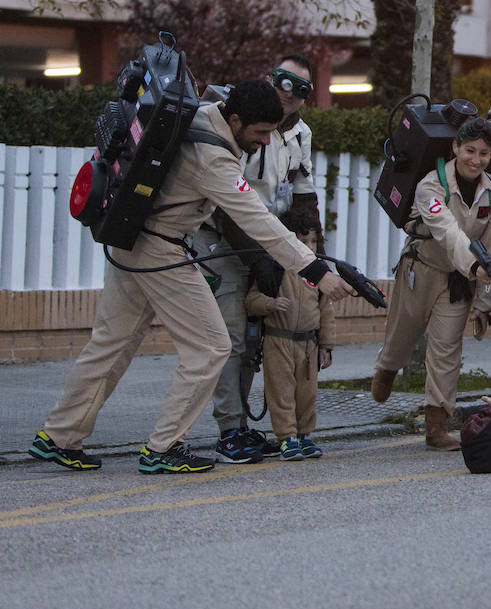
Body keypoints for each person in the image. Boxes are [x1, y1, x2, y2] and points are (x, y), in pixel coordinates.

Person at [28, 80, 350, 474]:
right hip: (160, 249)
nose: (266, 142)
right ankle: (164, 446)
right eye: (261, 132)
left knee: (111, 343)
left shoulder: (199, 113)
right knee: (212, 346)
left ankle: (58, 435)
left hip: (131, 238)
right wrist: (315, 269)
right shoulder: (213, 159)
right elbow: (258, 220)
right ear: (234, 119)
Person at [198, 54, 322, 464]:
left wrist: (313, 252)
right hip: (225, 241)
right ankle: (229, 429)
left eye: (302, 89)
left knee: (256, 340)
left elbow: (303, 193)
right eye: (286, 83)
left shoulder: (299, 133)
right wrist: (261, 256)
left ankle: (243, 427)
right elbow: (228, 202)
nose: (292, 95)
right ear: (270, 79)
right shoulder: (243, 124)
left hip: (271, 243)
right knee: (230, 336)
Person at [370, 117, 491, 450]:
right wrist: (475, 265)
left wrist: (484, 300)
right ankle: (387, 367)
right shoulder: (430, 186)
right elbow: (447, 230)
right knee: (403, 332)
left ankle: (436, 425)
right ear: (455, 148)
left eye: (484, 153)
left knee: (447, 351)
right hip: (422, 268)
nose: (475, 160)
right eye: (469, 150)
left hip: (459, 281)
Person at [244, 210, 335, 460]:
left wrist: (326, 346)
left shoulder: (319, 273)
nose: (308, 247)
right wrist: (270, 304)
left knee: (307, 393)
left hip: (308, 343)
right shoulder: (272, 268)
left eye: (313, 242)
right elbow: (251, 300)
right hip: (278, 339)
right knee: (281, 392)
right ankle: (287, 438)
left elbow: (326, 311)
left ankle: (305, 435)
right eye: (302, 241)